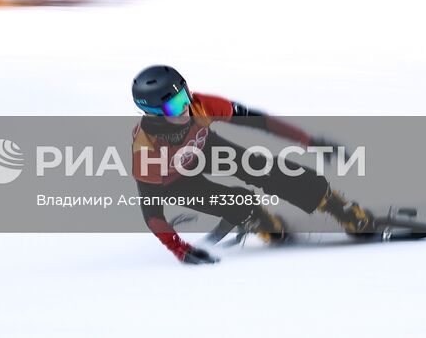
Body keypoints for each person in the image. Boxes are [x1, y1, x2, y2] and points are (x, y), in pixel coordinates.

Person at [130, 64, 374, 265]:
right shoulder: (146, 151)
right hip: (174, 181)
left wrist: (309, 141)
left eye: (184, 95)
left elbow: (259, 122)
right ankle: (258, 219)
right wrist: (180, 250)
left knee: (264, 168)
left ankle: (334, 204)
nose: (185, 108)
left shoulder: (199, 105)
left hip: (204, 149)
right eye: (173, 105)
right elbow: (151, 213)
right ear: (153, 113)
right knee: (238, 204)